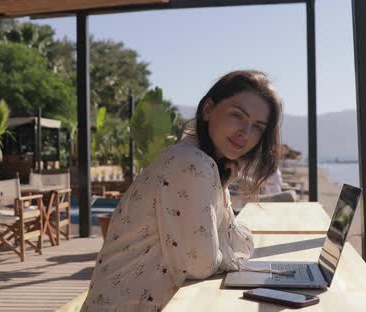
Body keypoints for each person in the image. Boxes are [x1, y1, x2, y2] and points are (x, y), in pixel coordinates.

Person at [81, 70, 283, 312]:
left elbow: (233, 242)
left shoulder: (204, 162)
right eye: (237, 115)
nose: (246, 133)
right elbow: (201, 264)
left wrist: (223, 189)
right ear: (208, 109)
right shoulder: (191, 163)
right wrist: (233, 257)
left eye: (258, 127)